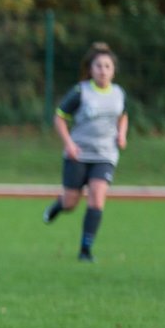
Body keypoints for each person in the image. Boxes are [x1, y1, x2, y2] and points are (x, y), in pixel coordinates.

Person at [43, 42, 128, 262]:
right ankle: (58, 206)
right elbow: (59, 116)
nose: (103, 70)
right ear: (90, 69)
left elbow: (123, 115)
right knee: (71, 202)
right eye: (98, 66)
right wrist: (69, 143)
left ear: (113, 70)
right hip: (78, 153)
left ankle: (85, 250)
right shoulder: (81, 92)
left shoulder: (118, 93)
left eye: (107, 66)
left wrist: (122, 134)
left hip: (105, 155)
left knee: (97, 200)